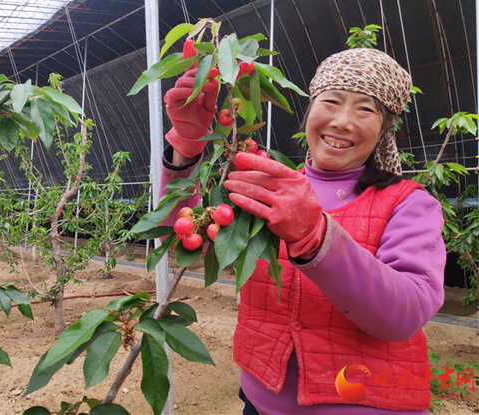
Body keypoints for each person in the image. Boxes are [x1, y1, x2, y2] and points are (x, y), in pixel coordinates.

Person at [160, 47, 445, 414]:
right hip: (259, 402)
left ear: (384, 127)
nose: (342, 121)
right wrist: (185, 149)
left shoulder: (408, 203)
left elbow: (406, 314)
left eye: (365, 109)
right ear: (309, 110)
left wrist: (316, 235)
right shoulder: (271, 185)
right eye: (331, 101)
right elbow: (186, 245)